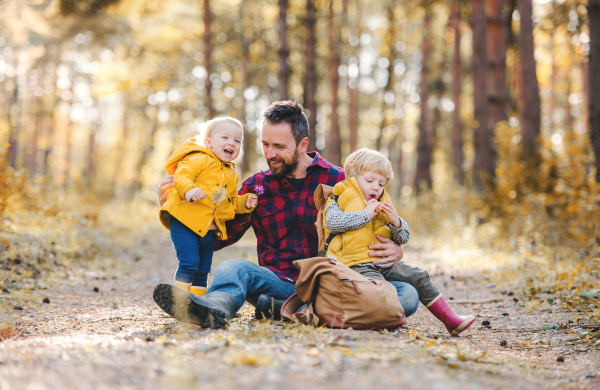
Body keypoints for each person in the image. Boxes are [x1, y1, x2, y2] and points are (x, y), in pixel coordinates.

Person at [153, 101, 418, 329]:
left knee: (407, 295)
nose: (270, 154)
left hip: (333, 285)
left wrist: (395, 249)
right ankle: (213, 309)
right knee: (234, 268)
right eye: (265, 144)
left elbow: (379, 224)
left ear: (303, 144)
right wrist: (182, 210)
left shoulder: (341, 181)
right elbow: (216, 238)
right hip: (277, 282)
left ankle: (286, 310)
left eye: (279, 146)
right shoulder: (255, 187)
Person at [323, 148, 475, 335]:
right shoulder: (338, 199)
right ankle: (382, 319)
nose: (376, 187)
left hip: (381, 263)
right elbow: (333, 223)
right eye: (370, 181)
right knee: (380, 290)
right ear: (352, 178)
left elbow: (403, 237)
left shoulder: (383, 203)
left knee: (418, 275)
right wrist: (365, 215)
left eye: (381, 183)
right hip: (353, 265)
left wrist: (396, 222)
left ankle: (451, 320)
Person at [158, 117, 258, 298]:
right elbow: (182, 176)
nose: (232, 143)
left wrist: (244, 203)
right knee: (189, 263)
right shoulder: (199, 158)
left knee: (203, 271)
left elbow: (231, 201)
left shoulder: (232, 172)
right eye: (225, 138)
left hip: (210, 232)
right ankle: (179, 302)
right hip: (186, 223)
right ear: (209, 143)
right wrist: (189, 190)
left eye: (237, 140)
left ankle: (197, 304)